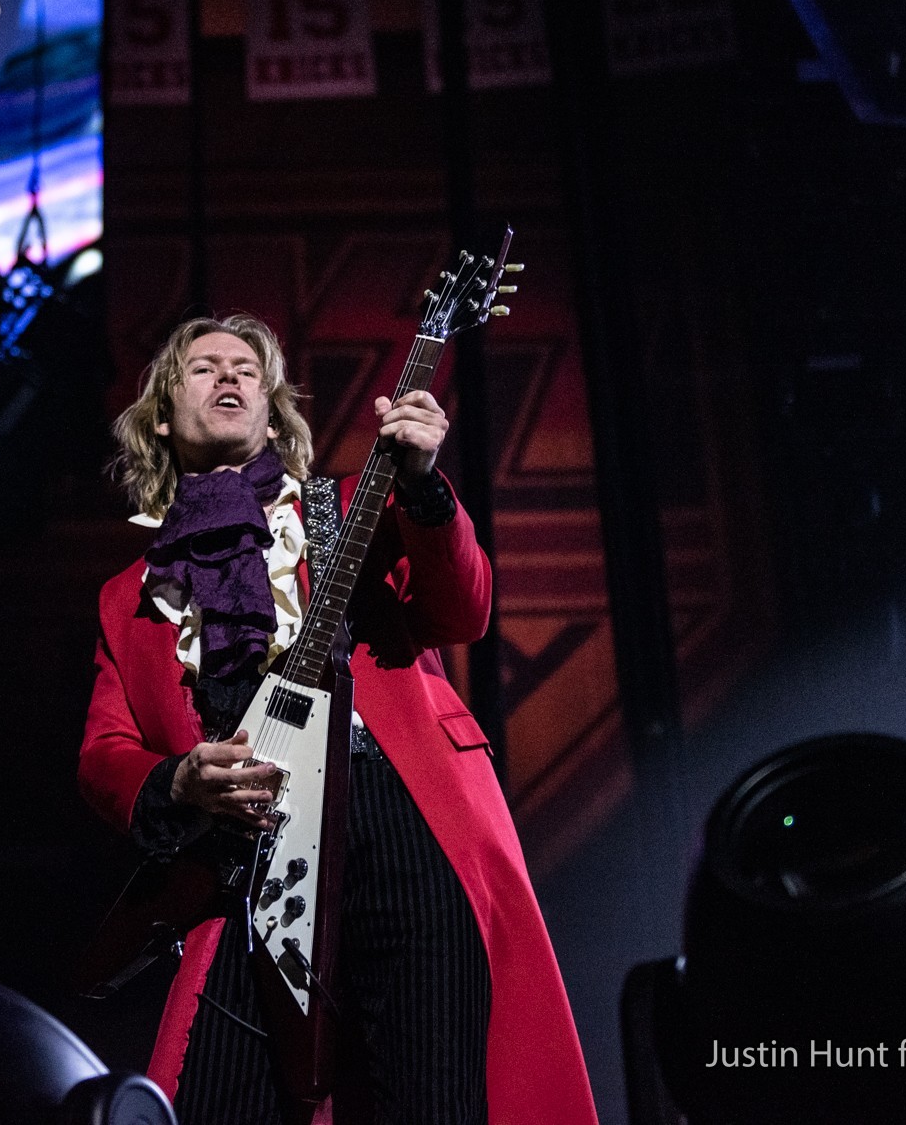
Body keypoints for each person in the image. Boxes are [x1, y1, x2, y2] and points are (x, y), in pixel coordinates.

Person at [77, 314, 599, 1125]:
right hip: (248, 849)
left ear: (272, 413)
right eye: (203, 367)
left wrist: (423, 484)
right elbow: (104, 751)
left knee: (432, 1097)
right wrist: (179, 778)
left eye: (248, 368)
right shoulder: (130, 596)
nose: (229, 375)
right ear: (162, 418)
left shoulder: (351, 508)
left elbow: (462, 610)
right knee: (214, 1096)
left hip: (402, 811)